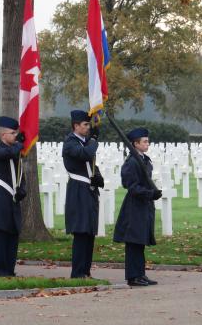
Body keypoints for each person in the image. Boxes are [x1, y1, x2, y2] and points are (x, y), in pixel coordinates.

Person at [113, 127, 163, 287]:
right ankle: (133, 276)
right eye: (144, 141)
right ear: (135, 144)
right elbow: (131, 186)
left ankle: (140, 273)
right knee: (133, 242)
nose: (148, 143)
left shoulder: (144, 160)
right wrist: (150, 193)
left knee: (140, 241)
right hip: (135, 206)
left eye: (148, 141)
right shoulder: (132, 162)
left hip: (144, 206)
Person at [62, 110, 104, 278]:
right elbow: (86, 155)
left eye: (89, 124)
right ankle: (77, 272)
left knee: (89, 232)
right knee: (81, 231)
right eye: (85, 125)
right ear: (76, 126)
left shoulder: (85, 141)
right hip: (78, 190)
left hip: (89, 190)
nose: (88, 127)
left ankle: (86, 271)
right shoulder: (70, 142)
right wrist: (93, 140)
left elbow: (92, 164)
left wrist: (98, 178)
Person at [0, 116, 26, 277]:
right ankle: (1, 271)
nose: (16, 135)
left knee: (13, 236)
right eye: (13, 133)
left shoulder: (14, 151)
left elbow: (19, 173)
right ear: (3, 135)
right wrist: (20, 143)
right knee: (2, 236)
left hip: (12, 200)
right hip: (0, 199)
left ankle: (10, 269)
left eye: (16, 132)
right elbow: (9, 153)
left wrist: (22, 189)